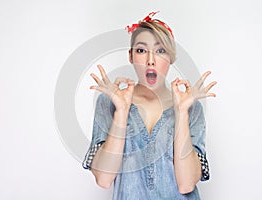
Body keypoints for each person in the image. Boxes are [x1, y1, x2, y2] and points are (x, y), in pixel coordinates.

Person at [82, 11, 217, 200]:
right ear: (130, 56)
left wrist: (182, 112)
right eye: (141, 50)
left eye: (160, 50)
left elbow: (186, 184)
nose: (150, 60)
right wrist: (121, 111)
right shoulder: (110, 103)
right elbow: (103, 179)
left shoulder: (191, 108)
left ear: (171, 57)